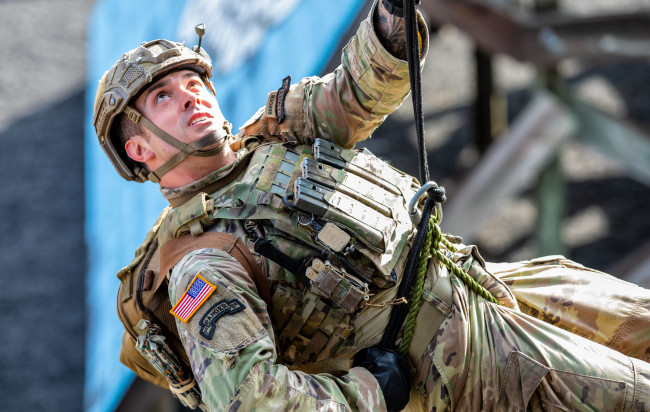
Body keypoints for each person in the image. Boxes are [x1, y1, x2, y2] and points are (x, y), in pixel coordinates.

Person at [94, 0, 650, 411]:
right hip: (462, 365)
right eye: (162, 97)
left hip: (485, 283)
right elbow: (251, 399)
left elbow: (355, 93)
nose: (192, 94)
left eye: (194, 80)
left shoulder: (276, 134)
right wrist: (369, 395)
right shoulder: (201, 265)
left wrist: (388, 23)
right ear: (139, 150)